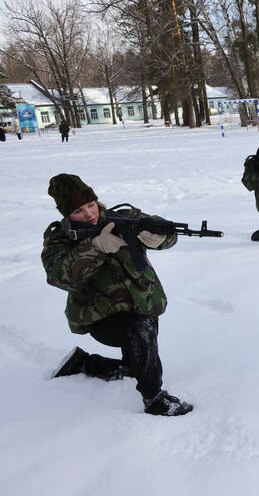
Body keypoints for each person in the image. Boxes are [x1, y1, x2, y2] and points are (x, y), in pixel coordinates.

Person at [42, 174, 193, 416]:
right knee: (140, 330)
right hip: (99, 316)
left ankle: (86, 363)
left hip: (141, 304)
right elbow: (59, 275)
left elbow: (164, 229)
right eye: (79, 210)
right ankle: (154, 398)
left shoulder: (123, 218)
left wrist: (160, 238)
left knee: (137, 357)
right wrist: (96, 248)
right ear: (66, 213)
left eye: (91, 205)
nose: (90, 214)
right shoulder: (59, 238)